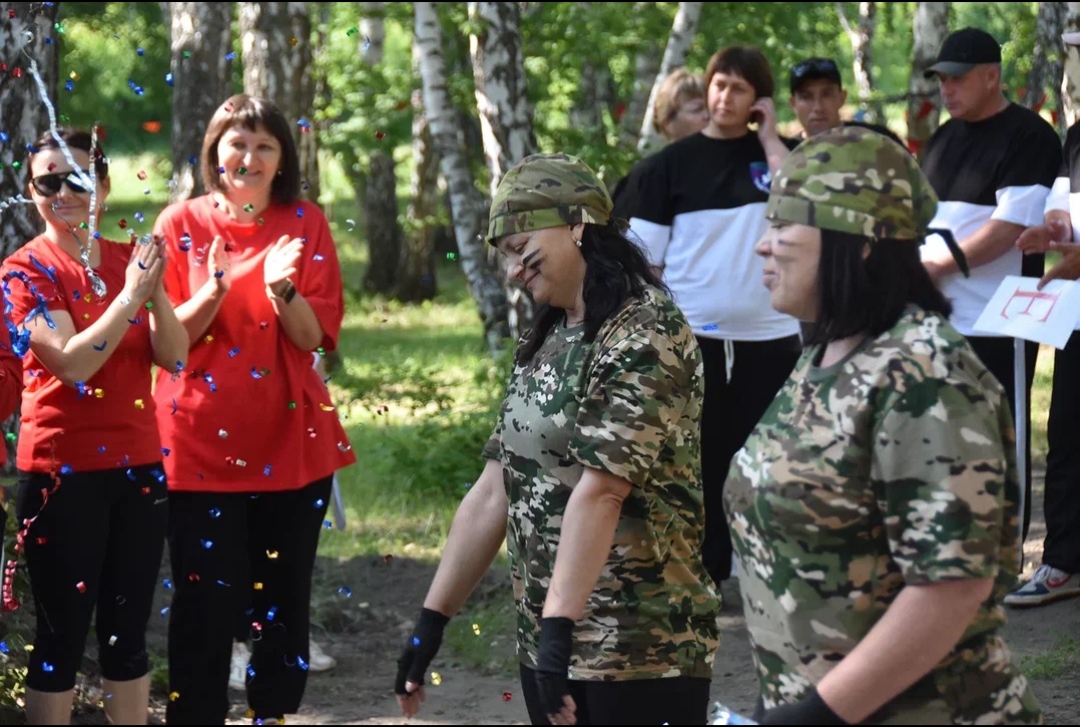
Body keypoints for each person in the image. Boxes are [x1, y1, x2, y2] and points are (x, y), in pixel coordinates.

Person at [726, 124, 1043, 725]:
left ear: (862, 242)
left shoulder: (924, 373)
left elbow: (950, 588)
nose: (763, 247)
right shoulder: (825, 355)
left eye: (784, 226)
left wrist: (816, 715)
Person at [393, 153, 721, 726]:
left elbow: (603, 492)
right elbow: (495, 488)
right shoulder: (549, 333)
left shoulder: (646, 329)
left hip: (641, 646)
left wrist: (557, 629)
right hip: (554, 641)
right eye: (505, 256)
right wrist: (431, 622)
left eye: (521, 248)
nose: (513, 270)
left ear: (576, 224)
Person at [151, 94, 356, 725]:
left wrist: (280, 287)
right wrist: (217, 288)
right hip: (196, 447)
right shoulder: (179, 224)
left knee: (282, 604)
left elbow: (312, 337)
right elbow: (166, 344)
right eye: (237, 143)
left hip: (291, 445)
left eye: (265, 145)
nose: (250, 157)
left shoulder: (306, 222)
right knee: (203, 606)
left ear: (282, 158)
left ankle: (273, 715)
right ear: (214, 152)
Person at [0, 127, 189, 725]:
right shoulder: (23, 270)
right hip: (62, 473)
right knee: (60, 640)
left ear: (102, 187)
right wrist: (132, 296)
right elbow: (72, 363)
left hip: (138, 468)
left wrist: (155, 293)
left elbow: (175, 356)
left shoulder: (129, 259)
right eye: (46, 182)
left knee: (126, 637)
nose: (62, 192)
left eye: (76, 179)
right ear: (32, 192)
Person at [621, 45, 803, 587]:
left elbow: (799, 203)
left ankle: (765, 567)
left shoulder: (781, 158)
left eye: (738, 88)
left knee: (768, 454)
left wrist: (770, 138)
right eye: (718, 84)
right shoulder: (667, 167)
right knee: (701, 456)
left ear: (759, 99)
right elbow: (644, 262)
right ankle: (708, 569)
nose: (724, 97)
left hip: (773, 336)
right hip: (694, 337)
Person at [919, 26, 1062, 539]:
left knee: (996, 445)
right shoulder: (941, 139)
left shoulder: (1029, 136)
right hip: (937, 320)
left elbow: (1010, 229)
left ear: (991, 76)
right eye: (941, 79)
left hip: (999, 322)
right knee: (938, 444)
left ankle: (1004, 553)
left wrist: (934, 268)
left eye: (957, 78)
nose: (947, 89)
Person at [1008, 28, 1080, 607]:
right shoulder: (1076, 136)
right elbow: (1068, 210)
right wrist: (1056, 229)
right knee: (1068, 432)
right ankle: (1063, 561)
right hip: (1076, 313)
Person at [611, 68, 709, 216]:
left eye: (710, 108)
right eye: (697, 109)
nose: (708, 116)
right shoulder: (649, 178)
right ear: (667, 121)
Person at [787, 56, 905, 145]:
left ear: (842, 98)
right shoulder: (784, 155)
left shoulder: (879, 142)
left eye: (826, 94)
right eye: (807, 97)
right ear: (793, 104)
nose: (818, 107)